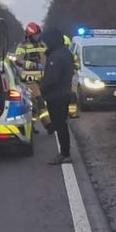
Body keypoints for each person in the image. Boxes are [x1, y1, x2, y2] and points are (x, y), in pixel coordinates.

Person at [38, 27, 75, 165]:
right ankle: (65, 152)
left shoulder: (56, 57)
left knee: (60, 125)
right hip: (64, 93)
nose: (45, 44)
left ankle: (65, 154)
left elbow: (52, 78)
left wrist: (43, 88)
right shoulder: (66, 53)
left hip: (56, 96)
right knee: (62, 125)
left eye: (46, 42)